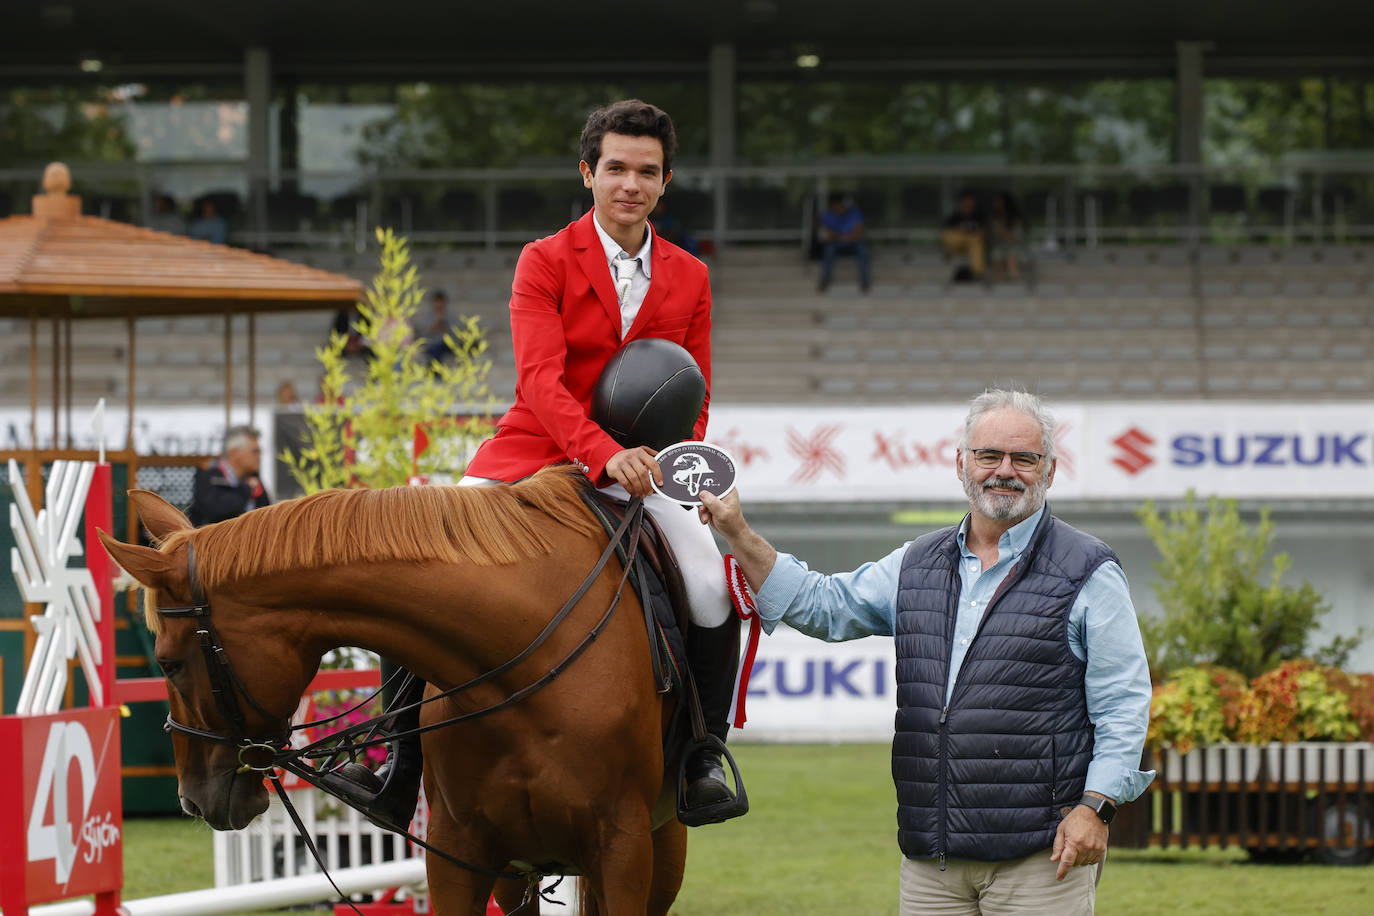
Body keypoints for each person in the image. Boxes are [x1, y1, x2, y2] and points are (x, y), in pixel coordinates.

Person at [324, 98, 744, 830]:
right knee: (424, 559)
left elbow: (695, 391)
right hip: (535, 450)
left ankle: (704, 758)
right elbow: (541, 384)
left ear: (665, 182)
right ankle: (397, 760)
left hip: (643, 468)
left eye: (647, 172)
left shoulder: (692, 276)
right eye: (616, 168)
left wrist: (661, 459)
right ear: (588, 173)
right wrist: (602, 456)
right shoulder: (544, 260)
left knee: (712, 582)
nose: (630, 184)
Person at [699, 388, 1154, 915]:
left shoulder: (1089, 571)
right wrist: (737, 531)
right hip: (931, 858)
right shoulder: (915, 563)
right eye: (989, 455)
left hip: (1042, 854)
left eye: (1023, 458)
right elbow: (822, 605)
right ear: (961, 464)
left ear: (1049, 471)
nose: (1004, 470)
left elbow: (1123, 703)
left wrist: (1096, 808)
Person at [189, 425, 271, 526]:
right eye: (255, 451)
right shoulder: (209, 473)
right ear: (234, 453)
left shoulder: (253, 477)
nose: (259, 456)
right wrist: (247, 489)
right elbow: (215, 510)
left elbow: (268, 515)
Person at [816, 192, 871, 292]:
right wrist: (842, 236)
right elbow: (824, 235)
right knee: (829, 250)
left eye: (838, 204)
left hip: (853, 245)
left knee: (863, 250)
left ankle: (865, 282)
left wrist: (839, 235)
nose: (837, 207)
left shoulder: (854, 213)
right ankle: (825, 280)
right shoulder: (827, 215)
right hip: (836, 245)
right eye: (834, 205)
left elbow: (860, 232)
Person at [942, 190, 988, 281]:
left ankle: (977, 273)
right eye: (966, 201)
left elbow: (983, 232)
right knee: (952, 235)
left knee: (975, 241)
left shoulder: (979, 216)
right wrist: (963, 232)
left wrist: (970, 233)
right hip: (957, 246)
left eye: (970, 201)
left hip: (972, 246)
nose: (968, 203)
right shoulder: (956, 216)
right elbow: (947, 232)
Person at [989, 190, 1026, 282]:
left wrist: (1002, 231)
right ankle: (999, 283)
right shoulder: (993, 218)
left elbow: (1016, 239)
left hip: (1014, 247)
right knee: (996, 255)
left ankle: (1014, 281)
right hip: (999, 248)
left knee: (1011, 256)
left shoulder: (1015, 219)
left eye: (998, 201)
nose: (996, 203)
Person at [418, 290, 455, 365]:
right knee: (435, 350)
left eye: (440, 301)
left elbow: (454, 334)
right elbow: (424, 334)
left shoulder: (450, 316)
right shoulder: (428, 317)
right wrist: (436, 324)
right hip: (432, 345)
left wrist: (443, 326)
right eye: (437, 301)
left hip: (446, 345)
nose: (439, 304)